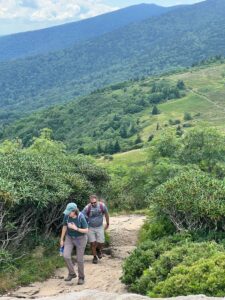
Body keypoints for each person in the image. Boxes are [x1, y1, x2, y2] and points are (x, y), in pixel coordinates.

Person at [60, 202, 88, 285]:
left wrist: (76, 228)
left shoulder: (81, 217)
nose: (68, 213)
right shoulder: (66, 216)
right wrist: (62, 239)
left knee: (79, 259)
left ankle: (81, 277)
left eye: (69, 212)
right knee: (66, 255)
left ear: (74, 211)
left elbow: (86, 230)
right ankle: (72, 273)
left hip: (81, 239)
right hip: (69, 237)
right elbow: (64, 226)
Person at [82, 195, 109, 264]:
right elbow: (81, 215)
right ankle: (94, 257)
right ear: (90, 202)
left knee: (101, 242)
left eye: (94, 202)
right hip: (90, 227)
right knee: (93, 243)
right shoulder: (87, 207)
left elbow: (106, 214)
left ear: (97, 200)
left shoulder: (102, 206)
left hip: (99, 226)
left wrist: (107, 223)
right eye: (92, 203)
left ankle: (98, 250)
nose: (93, 204)